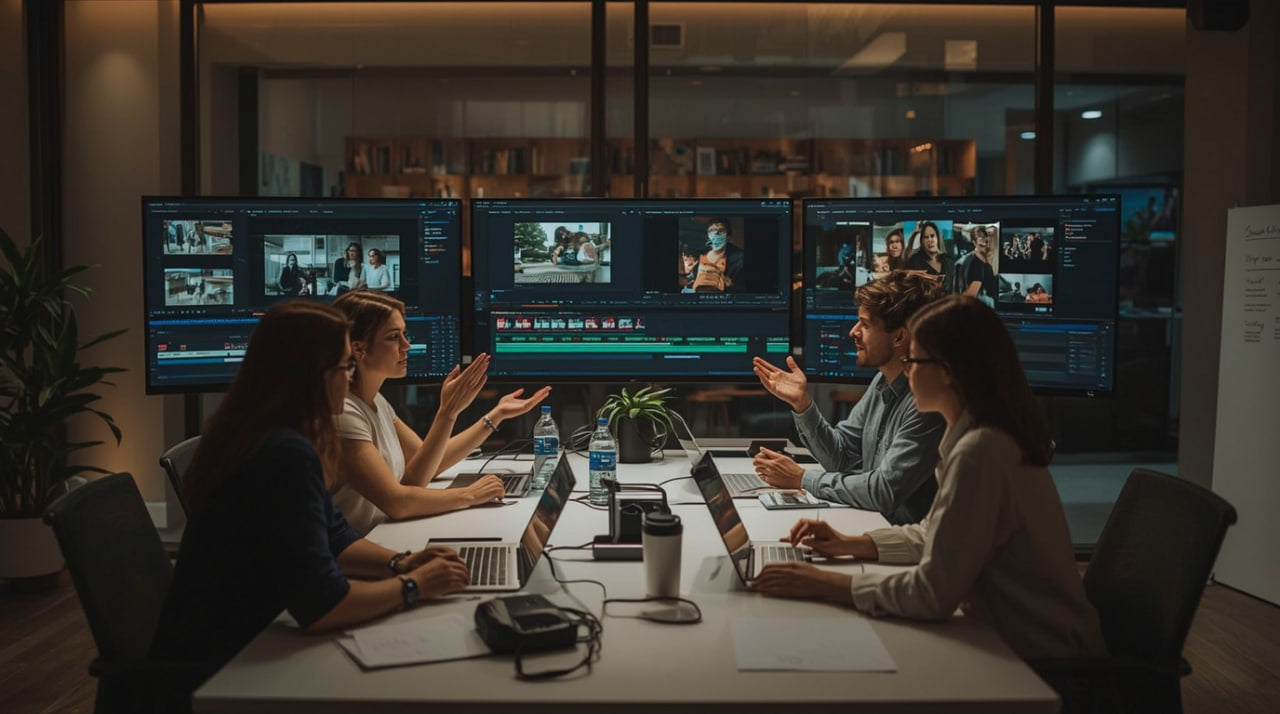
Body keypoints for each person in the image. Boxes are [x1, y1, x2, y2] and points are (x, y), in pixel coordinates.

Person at [753, 295, 1106, 662]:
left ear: (949, 370)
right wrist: (855, 543)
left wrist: (825, 583)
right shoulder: (980, 436)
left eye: (914, 362)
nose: (906, 373)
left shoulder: (980, 452)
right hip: (1011, 639)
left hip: (1043, 660)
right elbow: (936, 533)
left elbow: (932, 593)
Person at [150, 302, 471, 702]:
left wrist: (399, 562)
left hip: (242, 638)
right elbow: (324, 607)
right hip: (227, 668)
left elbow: (336, 535)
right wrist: (413, 586)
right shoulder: (283, 454)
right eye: (343, 367)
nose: (350, 378)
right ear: (309, 377)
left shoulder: (267, 434)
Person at [330, 290, 552, 534]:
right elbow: (397, 503)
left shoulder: (376, 401)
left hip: (388, 534)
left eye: (404, 334)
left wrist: (493, 415)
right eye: (394, 337)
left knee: (528, 524)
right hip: (365, 550)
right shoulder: (343, 413)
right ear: (359, 349)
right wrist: (471, 494)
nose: (407, 345)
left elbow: (428, 465)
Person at [750, 270, 945, 525]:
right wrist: (802, 404)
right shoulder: (881, 381)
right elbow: (840, 458)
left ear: (899, 337)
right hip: (873, 526)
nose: (853, 332)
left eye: (865, 324)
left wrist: (802, 478)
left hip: (901, 543)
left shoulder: (927, 403)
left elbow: (884, 491)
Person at [689, 217, 744, 292]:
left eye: (721, 231)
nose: (716, 234)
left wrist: (730, 286)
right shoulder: (698, 253)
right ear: (708, 236)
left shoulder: (739, 259)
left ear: (728, 236)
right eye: (712, 231)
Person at [904, 221, 954, 288]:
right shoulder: (915, 260)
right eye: (926, 237)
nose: (930, 240)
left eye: (932, 236)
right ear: (921, 241)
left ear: (938, 238)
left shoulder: (948, 260)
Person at [958, 225, 997, 307]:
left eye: (986, 243)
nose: (985, 247)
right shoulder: (976, 264)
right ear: (974, 242)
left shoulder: (983, 259)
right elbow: (969, 296)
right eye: (981, 245)